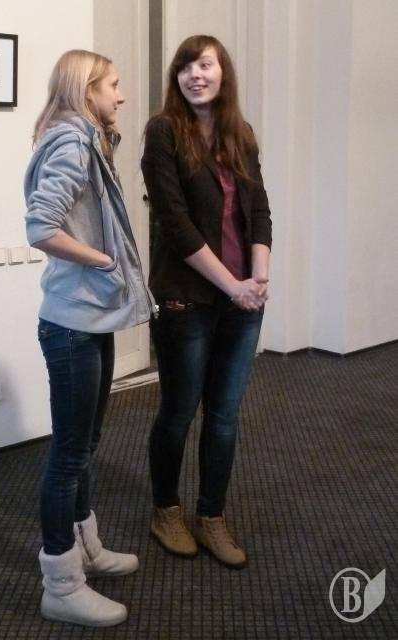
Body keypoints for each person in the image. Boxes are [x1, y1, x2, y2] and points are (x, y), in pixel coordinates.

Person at [24, 49, 152, 627]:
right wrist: (102, 259)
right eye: (113, 84)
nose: (120, 95)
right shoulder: (73, 144)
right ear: (87, 88)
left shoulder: (85, 140)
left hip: (86, 322)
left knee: (84, 446)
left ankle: (87, 550)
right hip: (72, 326)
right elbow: (41, 226)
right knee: (69, 455)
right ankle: (62, 583)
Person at [141, 35, 272, 569]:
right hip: (187, 298)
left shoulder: (241, 134)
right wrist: (232, 286)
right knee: (178, 413)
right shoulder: (163, 132)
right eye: (186, 67)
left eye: (205, 64)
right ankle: (166, 511)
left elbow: (259, 211)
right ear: (176, 78)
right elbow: (174, 224)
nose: (195, 75)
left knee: (224, 417)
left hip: (243, 299)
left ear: (223, 73)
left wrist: (258, 277)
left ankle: (211, 516)